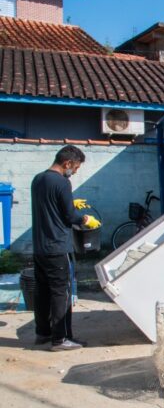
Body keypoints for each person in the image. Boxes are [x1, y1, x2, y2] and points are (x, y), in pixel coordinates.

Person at [31, 145, 98, 351]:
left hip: (40, 248)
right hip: (57, 247)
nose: (74, 172)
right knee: (62, 292)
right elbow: (69, 217)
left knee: (42, 291)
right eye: (75, 167)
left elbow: (50, 204)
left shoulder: (38, 179)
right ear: (67, 163)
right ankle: (61, 339)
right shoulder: (62, 182)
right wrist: (85, 219)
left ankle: (43, 333)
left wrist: (70, 202)